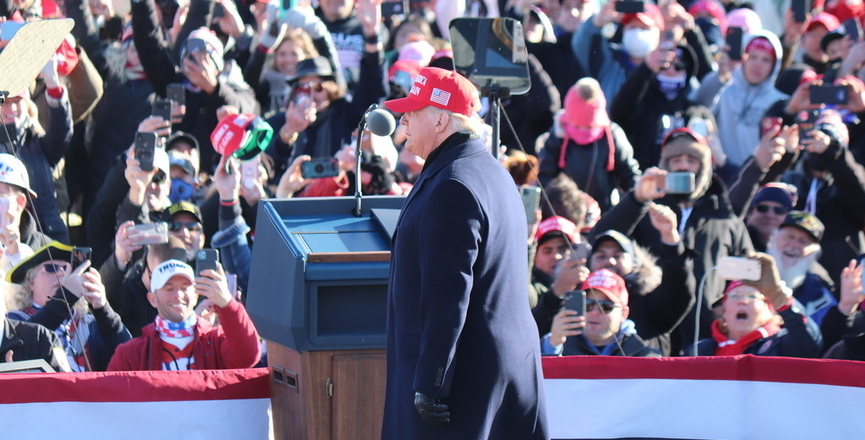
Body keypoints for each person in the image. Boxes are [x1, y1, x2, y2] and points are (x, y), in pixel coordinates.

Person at [381, 66, 548, 439]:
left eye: (413, 110)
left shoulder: (453, 183)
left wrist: (431, 381)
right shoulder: (486, 170)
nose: (403, 118)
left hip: (463, 381)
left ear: (441, 120)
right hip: (498, 366)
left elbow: (447, 295)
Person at [592, 128, 753, 346]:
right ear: (665, 166)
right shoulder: (646, 211)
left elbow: (747, 273)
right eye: (675, 159)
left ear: (704, 167)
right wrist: (637, 199)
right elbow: (598, 239)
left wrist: (723, 305)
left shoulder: (725, 219)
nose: (683, 166)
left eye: (692, 160)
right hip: (651, 329)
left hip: (707, 334)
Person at [107, 259, 261, 370]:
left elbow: (249, 356)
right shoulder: (131, 354)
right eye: (169, 288)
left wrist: (227, 303)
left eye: (185, 287)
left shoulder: (216, 341)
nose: (178, 295)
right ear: (153, 299)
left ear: (195, 295)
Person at [6, 242, 131, 371]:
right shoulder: (13, 321)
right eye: (51, 268)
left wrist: (103, 309)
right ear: (31, 282)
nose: (61, 274)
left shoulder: (89, 323)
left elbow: (128, 358)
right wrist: (65, 297)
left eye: (67, 268)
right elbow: (23, 344)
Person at [684, 253, 823, 358]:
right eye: (734, 296)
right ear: (723, 310)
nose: (742, 301)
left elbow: (809, 346)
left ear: (769, 311)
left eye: (752, 297)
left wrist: (781, 299)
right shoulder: (699, 350)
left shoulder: (781, 344)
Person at [543, 269, 661, 357]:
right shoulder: (554, 345)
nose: (594, 312)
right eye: (587, 305)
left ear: (624, 313)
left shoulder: (646, 356)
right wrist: (553, 346)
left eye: (605, 307)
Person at [767, 211, 836, 326]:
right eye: (790, 237)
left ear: (814, 253)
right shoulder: (751, 272)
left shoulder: (819, 295)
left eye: (803, 241)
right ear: (774, 237)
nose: (794, 245)